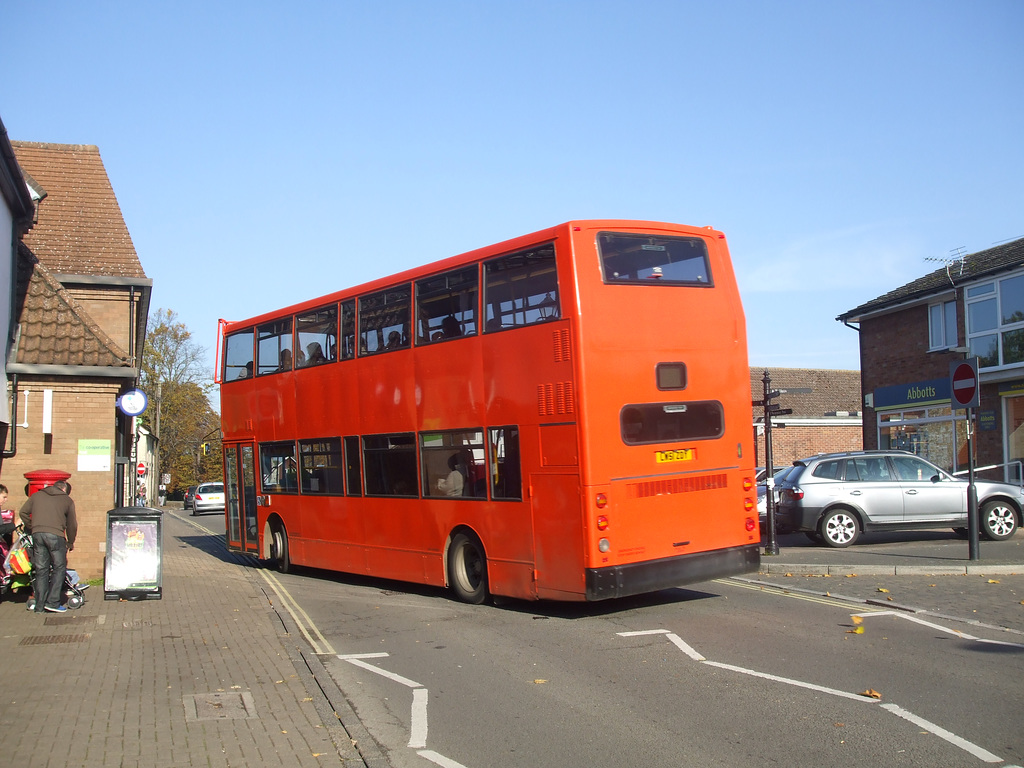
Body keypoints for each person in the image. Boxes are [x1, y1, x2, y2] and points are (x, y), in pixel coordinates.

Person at [20, 479, 77, 614]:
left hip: (37, 535)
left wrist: (32, 526)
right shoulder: (67, 500)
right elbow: (72, 525)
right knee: (59, 567)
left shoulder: (37, 495)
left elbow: (23, 512)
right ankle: (53, 602)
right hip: (56, 536)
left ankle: (40, 606)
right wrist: (70, 542)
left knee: (41, 570)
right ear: (64, 489)